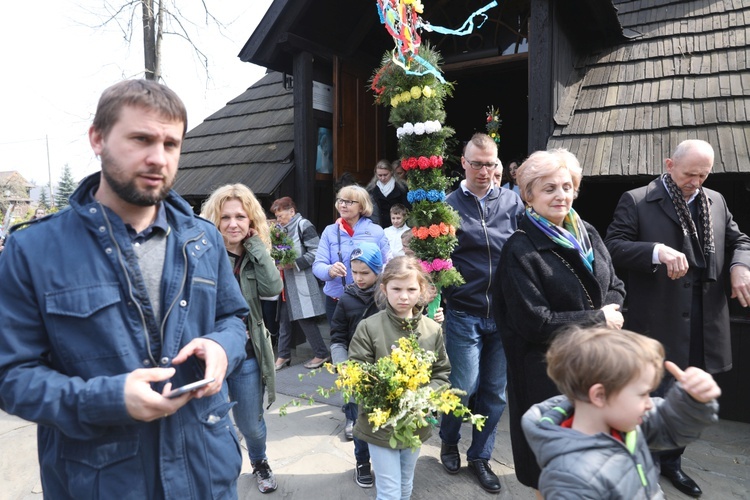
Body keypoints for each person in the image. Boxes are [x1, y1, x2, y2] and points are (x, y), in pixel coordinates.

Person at [0, 80, 249, 499]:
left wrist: (223, 347)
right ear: (97, 138)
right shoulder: (33, 250)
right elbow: (10, 375)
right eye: (141, 139)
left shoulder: (203, 239)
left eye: (171, 144)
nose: (158, 158)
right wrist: (109, 399)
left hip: (206, 473)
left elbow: (233, 319)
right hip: (102, 482)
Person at [605, 139, 750, 497]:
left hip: (705, 322)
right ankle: (642, 465)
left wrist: (740, 266)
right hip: (657, 322)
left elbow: (741, 240)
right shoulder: (638, 199)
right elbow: (613, 246)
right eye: (689, 174)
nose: (696, 182)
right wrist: (655, 251)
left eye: (703, 175)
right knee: (650, 401)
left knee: (688, 402)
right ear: (669, 164)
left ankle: (672, 463)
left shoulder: (715, 200)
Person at [494, 148, 626, 491]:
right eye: (549, 188)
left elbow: (615, 286)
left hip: (595, 365)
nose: (561, 195)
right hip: (548, 376)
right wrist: (598, 319)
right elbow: (534, 323)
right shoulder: (520, 250)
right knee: (553, 470)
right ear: (529, 195)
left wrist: (608, 313)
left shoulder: (589, 233)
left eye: (567, 186)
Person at [522, 326, 720, 499]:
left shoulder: (627, 423)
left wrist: (693, 399)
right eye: (643, 394)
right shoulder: (569, 478)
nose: (649, 403)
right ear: (599, 395)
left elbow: (671, 426)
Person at [439, 132, 525, 494]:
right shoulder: (446, 205)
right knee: (462, 387)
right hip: (463, 311)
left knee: (494, 393)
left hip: (503, 315)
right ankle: (448, 439)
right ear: (464, 163)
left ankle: (480, 456)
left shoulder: (512, 203)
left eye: (491, 164)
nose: (484, 171)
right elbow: (434, 261)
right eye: (477, 164)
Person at [201, 183, 283, 494]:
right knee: (216, 423)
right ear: (214, 220)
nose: (233, 224)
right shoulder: (203, 255)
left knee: (251, 424)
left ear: (251, 222)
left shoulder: (255, 254)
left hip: (249, 353)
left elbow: (272, 289)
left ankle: (259, 460)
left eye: (240, 217)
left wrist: (258, 248)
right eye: (225, 217)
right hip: (213, 352)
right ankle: (221, 474)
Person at [348, 256, 451, 500]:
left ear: (422, 291)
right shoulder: (369, 327)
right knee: (389, 490)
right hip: (379, 424)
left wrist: (424, 399)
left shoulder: (432, 330)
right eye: (396, 289)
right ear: (384, 289)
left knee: (406, 483)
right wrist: (385, 396)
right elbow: (357, 372)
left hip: (415, 422)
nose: (403, 296)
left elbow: (441, 372)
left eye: (411, 289)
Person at [329, 242, 383, 489]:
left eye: (365, 273)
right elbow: (338, 336)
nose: (359, 278)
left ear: (378, 270)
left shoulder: (387, 297)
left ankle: (384, 461)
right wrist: (342, 364)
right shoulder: (346, 299)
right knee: (360, 422)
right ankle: (362, 461)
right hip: (355, 368)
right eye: (355, 272)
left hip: (384, 369)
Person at [313, 184, 390, 324]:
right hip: (336, 300)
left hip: (368, 300)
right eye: (340, 201)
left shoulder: (376, 231)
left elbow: (389, 264)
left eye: (349, 202)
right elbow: (318, 265)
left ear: (361, 207)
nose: (343, 205)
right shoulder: (329, 231)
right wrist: (330, 270)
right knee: (339, 343)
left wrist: (372, 273)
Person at [270, 196, 328, 370]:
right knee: (284, 319)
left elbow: (317, 251)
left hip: (302, 278)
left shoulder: (304, 225)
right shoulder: (280, 229)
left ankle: (321, 353)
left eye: (281, 216)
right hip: (286, 280)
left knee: (305, 318)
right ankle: (283, 355)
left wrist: (294, 263)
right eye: (277, 216)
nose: (278, 219)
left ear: (292, 211)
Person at [367, 159, 410, 227]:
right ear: (376, 174)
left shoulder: (402, 188)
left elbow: (407, 208)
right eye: (380, 175)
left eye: (385, 175)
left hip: (398, 225)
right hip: (378, 226)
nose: (383, 178)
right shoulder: (371, 190)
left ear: (391, 172)